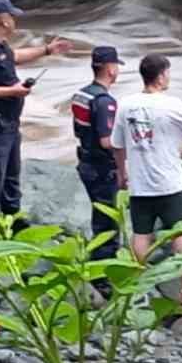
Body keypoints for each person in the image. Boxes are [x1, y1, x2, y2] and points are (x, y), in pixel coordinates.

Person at [0, 0, 72, 217]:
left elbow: (13, 57)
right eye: (13, 16)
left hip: (9, 124)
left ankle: (13, 225)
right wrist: (14, 91)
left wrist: (47, 50)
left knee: (11, 179)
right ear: (4, 20)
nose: (15, 21)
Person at [110, 54, 182, 262]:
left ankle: (137, 285)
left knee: (141, 235)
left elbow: (118, 145)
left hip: (140, 185)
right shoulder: (171, 104)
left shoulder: (125, 105)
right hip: (171, 184)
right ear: (159, 77)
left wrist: (122, 174)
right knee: (179, 235)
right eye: (167, 73)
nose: (168, 77)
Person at [71, 46, 122, 260]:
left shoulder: (81, 94)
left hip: (85, 159)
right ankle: (103, 272)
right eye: (117, 65)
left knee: (98, 216)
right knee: (107, 223)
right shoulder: (104, 102)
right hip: (102, 169)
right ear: (110, 69)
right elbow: (106, 140)